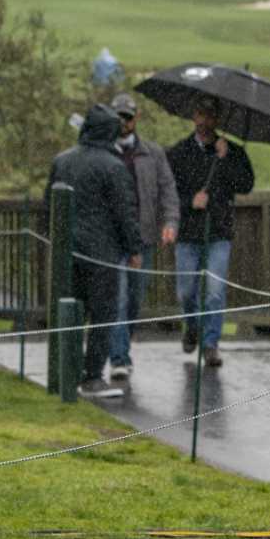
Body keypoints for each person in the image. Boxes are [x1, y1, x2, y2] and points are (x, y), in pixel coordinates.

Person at [47, 106, 142, 402]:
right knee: (102, 315)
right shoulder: (113, 167)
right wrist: (134, 248)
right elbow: (125, 213)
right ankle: (91, 377)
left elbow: (47, 204)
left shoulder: (61, 161)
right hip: (102, 254)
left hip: (67, 251)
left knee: (70, 310)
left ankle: (66, 372)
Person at [166, 95, 257, 369]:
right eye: (200, 115)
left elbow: (246, 184)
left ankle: (210, 344)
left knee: (214, 291)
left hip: (218, 232)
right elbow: (168, 193)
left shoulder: (232, 152)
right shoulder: (179, 152)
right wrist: (189, 202)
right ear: (194, 117)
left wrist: (226, 158)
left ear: (217, 119)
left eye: (210, 116)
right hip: (188, 233)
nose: (205, 121)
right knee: (186, 291)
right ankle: (191, 327)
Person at [106, 93, 179, 384]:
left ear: (135, 119)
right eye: (118, 117)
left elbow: (167, 190)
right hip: (112, 239)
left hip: (143, 237)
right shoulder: (104, 152)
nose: (123, 122)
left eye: (127, 116)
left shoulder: (152, 153)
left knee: (134, 298)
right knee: (118, 298)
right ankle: (119, 359)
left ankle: (126, 335)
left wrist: (170, 222)